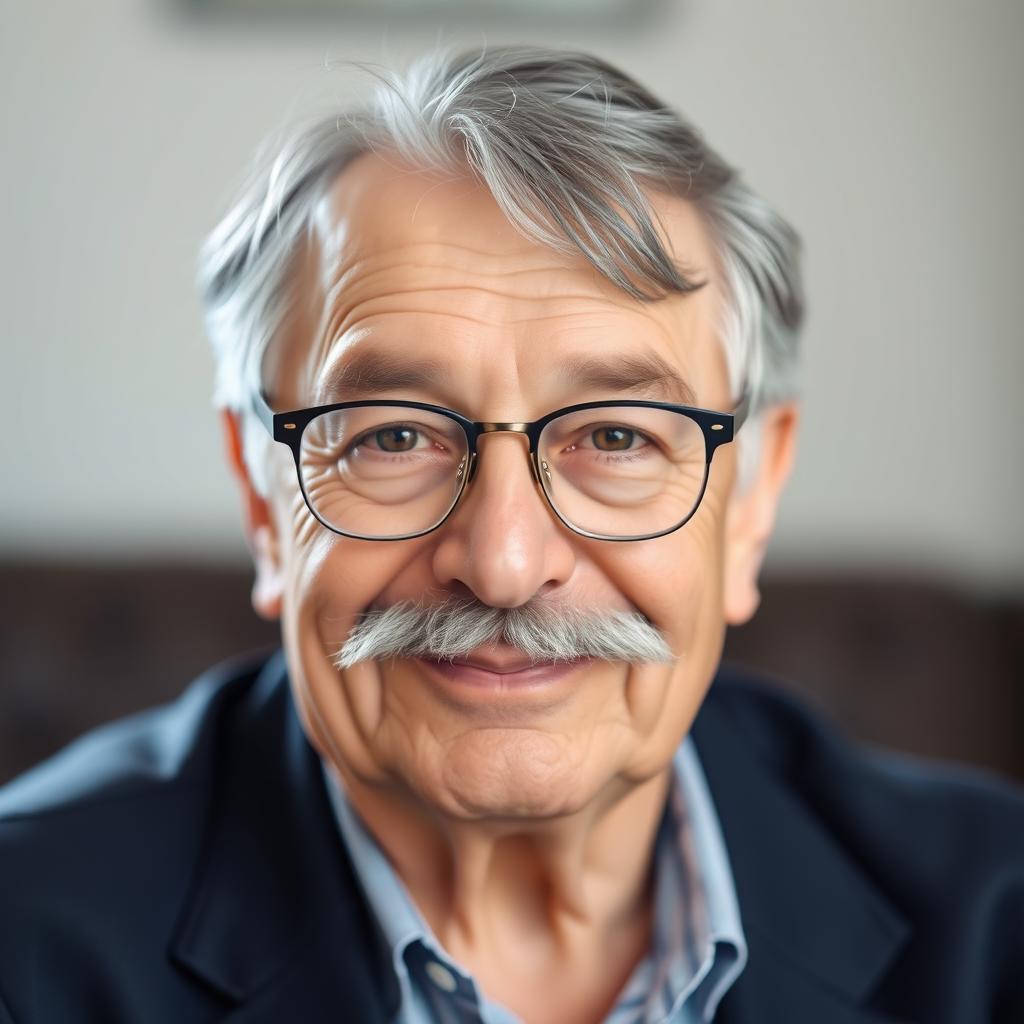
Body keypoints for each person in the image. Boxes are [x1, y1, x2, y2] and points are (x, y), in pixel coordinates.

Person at [0, 45, 1021, 1024]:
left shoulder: (997, 924)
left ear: (749, 498)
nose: (503, 563)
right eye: (395, 435)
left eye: (615, 435)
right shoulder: (26, 944)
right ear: (265, 502)